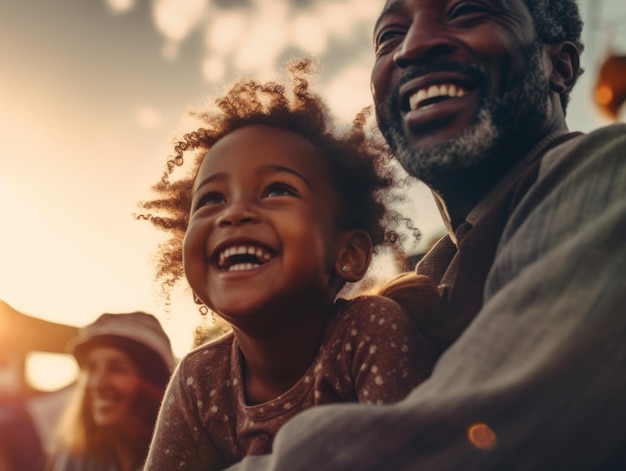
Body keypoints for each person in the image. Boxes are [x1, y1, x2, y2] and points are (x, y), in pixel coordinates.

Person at [222, 0, 626, 470]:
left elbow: (458, 443)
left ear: (559, 65)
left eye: (467, 11)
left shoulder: (608, 176)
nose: (412, 48)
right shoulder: (429, 278)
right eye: (389, 37)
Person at [138, 58, 440, 470]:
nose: (233, 214)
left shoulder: (369, 331)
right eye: (211, 199)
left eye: (277, 189)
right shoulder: (198, 379)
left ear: (347, 254)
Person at [45, 312, 175, 471]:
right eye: (91, 368)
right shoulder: (76, 458)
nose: (97, 383)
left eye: (117, 368)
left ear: (154, 382)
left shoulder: (182, 459)